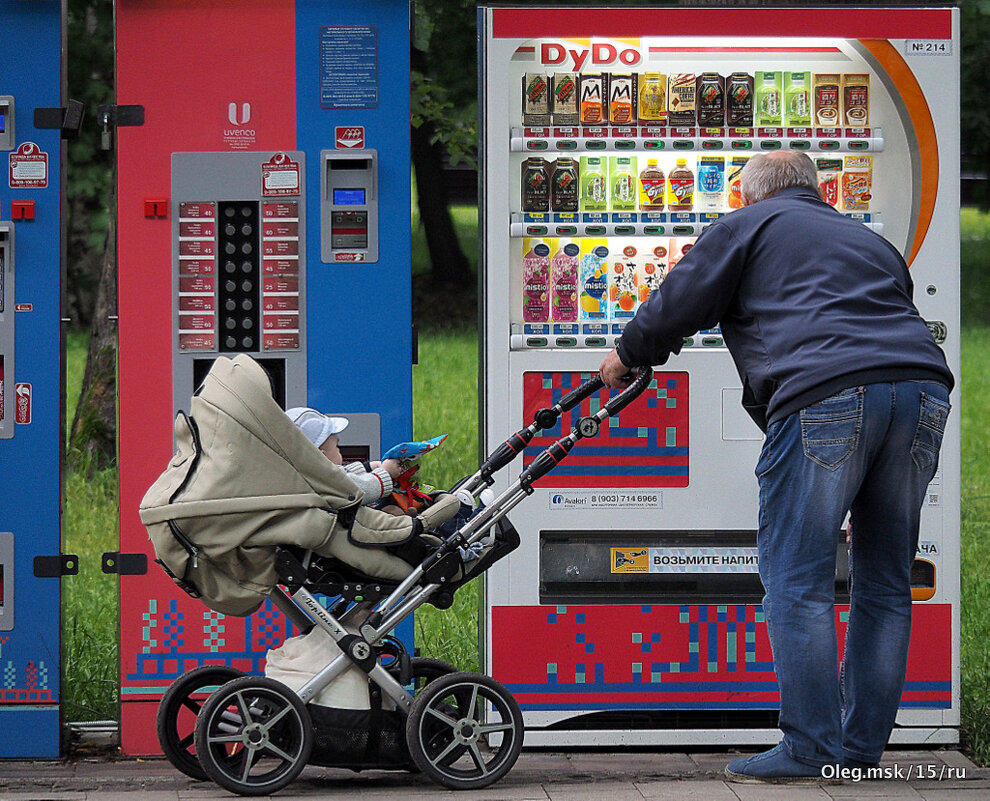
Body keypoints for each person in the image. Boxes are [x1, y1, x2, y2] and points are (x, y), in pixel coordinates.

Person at [598, 151, 953, 783]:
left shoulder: (747, 225)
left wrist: (627, 354)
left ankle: (809, 749)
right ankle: (860, 751)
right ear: (814, 192)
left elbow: (680, 300)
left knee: (798, 581)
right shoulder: (868, 241)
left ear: (750, 194)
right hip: (921, 392)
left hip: (826, 394)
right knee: (884, 583)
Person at [285, 407, 405, 510]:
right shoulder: (327, 482)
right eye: (337, 446)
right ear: (322, 456)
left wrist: (369, 467)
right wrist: (385, 472)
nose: (339, 450)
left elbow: (342, 474)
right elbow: (358, 489)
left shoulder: (307, 475)